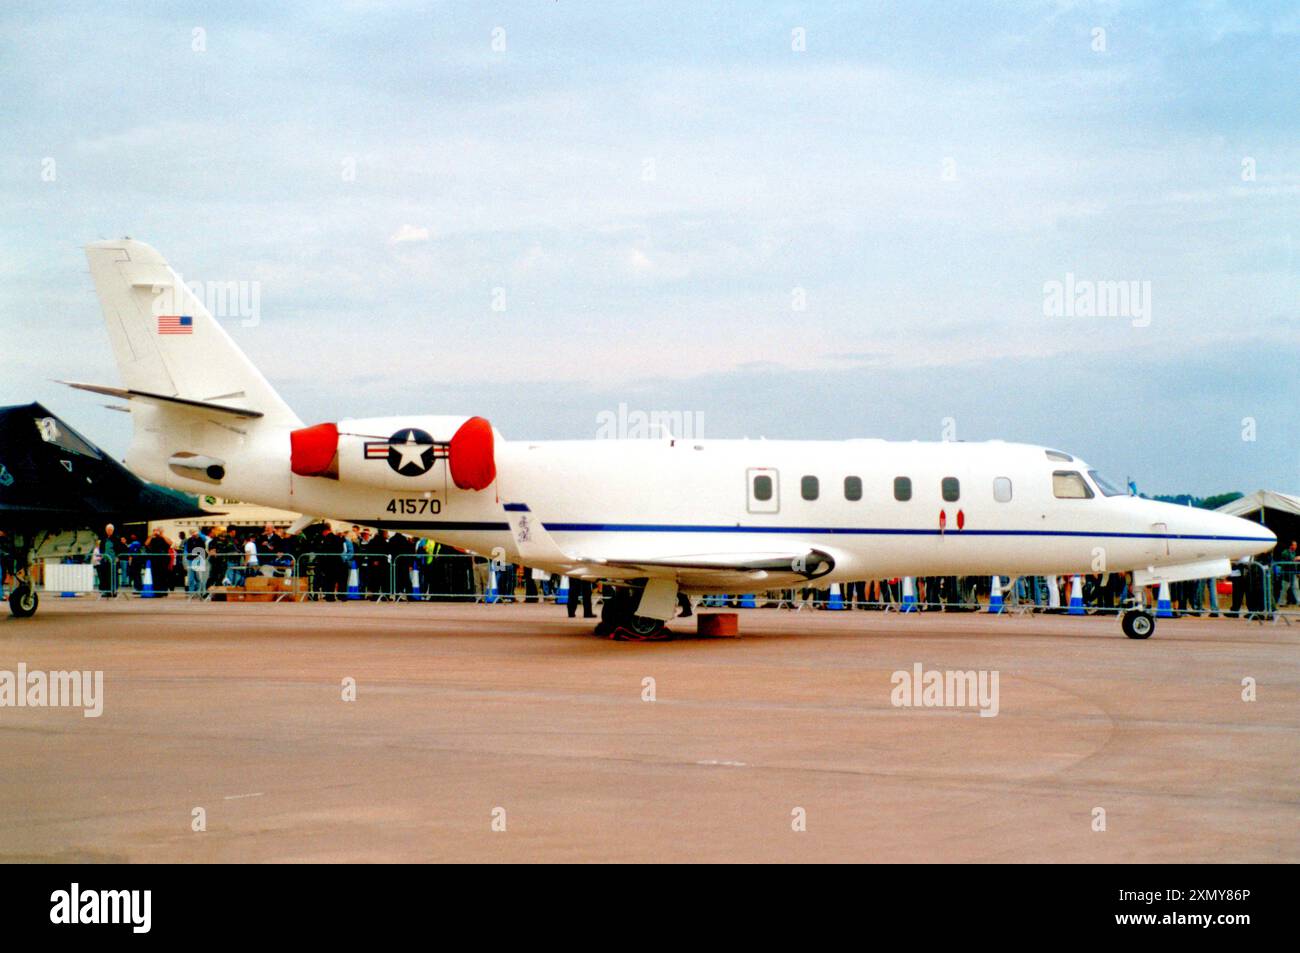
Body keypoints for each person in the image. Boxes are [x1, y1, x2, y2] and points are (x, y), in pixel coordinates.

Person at [97, 523, 117, 597]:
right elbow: (101, 549)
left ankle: (113, 591)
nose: (109, 531)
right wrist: (102, 555)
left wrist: (117, 557)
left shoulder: (116, 539)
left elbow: (118, 548)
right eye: (108, 530)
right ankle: (106, 591)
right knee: (104, 576)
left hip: (112, 561)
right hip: (105, 560)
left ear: (113, 530)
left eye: (110, 530)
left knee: (113, 577)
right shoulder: (103, 539)